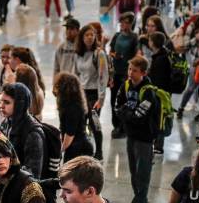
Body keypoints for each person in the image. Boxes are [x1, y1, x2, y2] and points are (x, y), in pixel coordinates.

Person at [115, 55, 159, 203]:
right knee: (134, 172)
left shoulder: (148, 91)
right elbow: (117, 107)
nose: (130, 72)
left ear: (143, 72)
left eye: (134, 70)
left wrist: (127, 113)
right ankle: (142, 202)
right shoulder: (125, 85)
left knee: (143, 172)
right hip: (131, 135)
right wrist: (127, 114)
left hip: (145, 137)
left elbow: (141, 115)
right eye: (129, 69)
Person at [75, 24, 108, 161]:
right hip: (82, 93)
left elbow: (103, 76)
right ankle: (84, 149)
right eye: (86, 35)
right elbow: (76, 73)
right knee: (81, 123)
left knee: (94, 123)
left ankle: (99, 151)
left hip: (94, 93)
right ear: (82, 38)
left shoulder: (99, 54)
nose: (89, 38)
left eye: (92, 35)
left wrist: (101, 98)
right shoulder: (79, 54)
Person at [1, 82, 46, 179]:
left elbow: (33, 174)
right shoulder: (7, 122)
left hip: (23, 189)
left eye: (7, 102)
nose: (2, 106)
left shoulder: (33, 133)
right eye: (2, 101)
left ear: (19, 105)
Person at [109, 13, 138, 138]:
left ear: (131, 24)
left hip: (126, 74)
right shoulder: (116, 36)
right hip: (115, 72)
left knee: (124, 101)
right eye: (122, 22)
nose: (123, 25)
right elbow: (110, 51)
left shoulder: (134, 38)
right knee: (113, 100)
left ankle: (123, 126)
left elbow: (136, 56)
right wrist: (115, 55)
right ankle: (116, 124)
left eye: (126, 22)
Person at [54, 72, 93, 162]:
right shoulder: (74, 103)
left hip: (78, 149)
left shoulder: (72, 107)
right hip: (78, 146)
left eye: (58, 86)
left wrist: (60, 151)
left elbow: (70, 134)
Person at [147, 31, 171, 155]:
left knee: (160, 119)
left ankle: (158, 145)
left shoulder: (160, 59)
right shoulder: (159, 56)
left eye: (150, 40)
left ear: (153, 43)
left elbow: (159, 79)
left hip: (160, 94)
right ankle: (156, 142)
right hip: (160, 92)